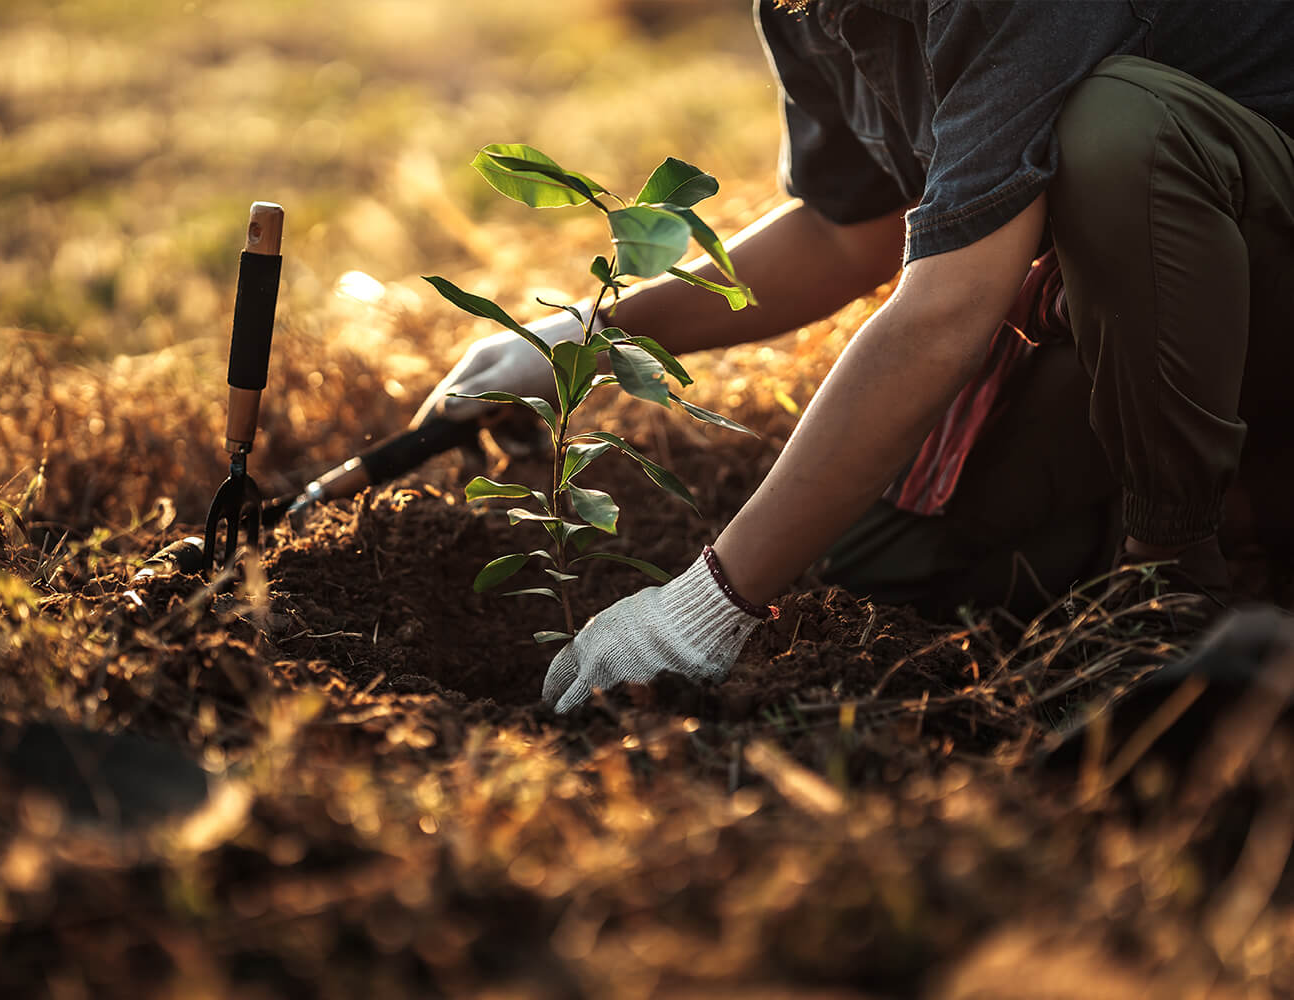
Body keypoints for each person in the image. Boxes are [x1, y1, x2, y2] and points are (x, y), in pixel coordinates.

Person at [412, 0, 1294, 713]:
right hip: (1167, 318)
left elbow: (949, 308)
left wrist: (707, 601)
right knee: (887, 568)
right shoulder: (808, 7)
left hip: (1267, 277)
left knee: (1117, 130)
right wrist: (587, 339)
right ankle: (1223, 497)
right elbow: (850, 235)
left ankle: (1171, 581)